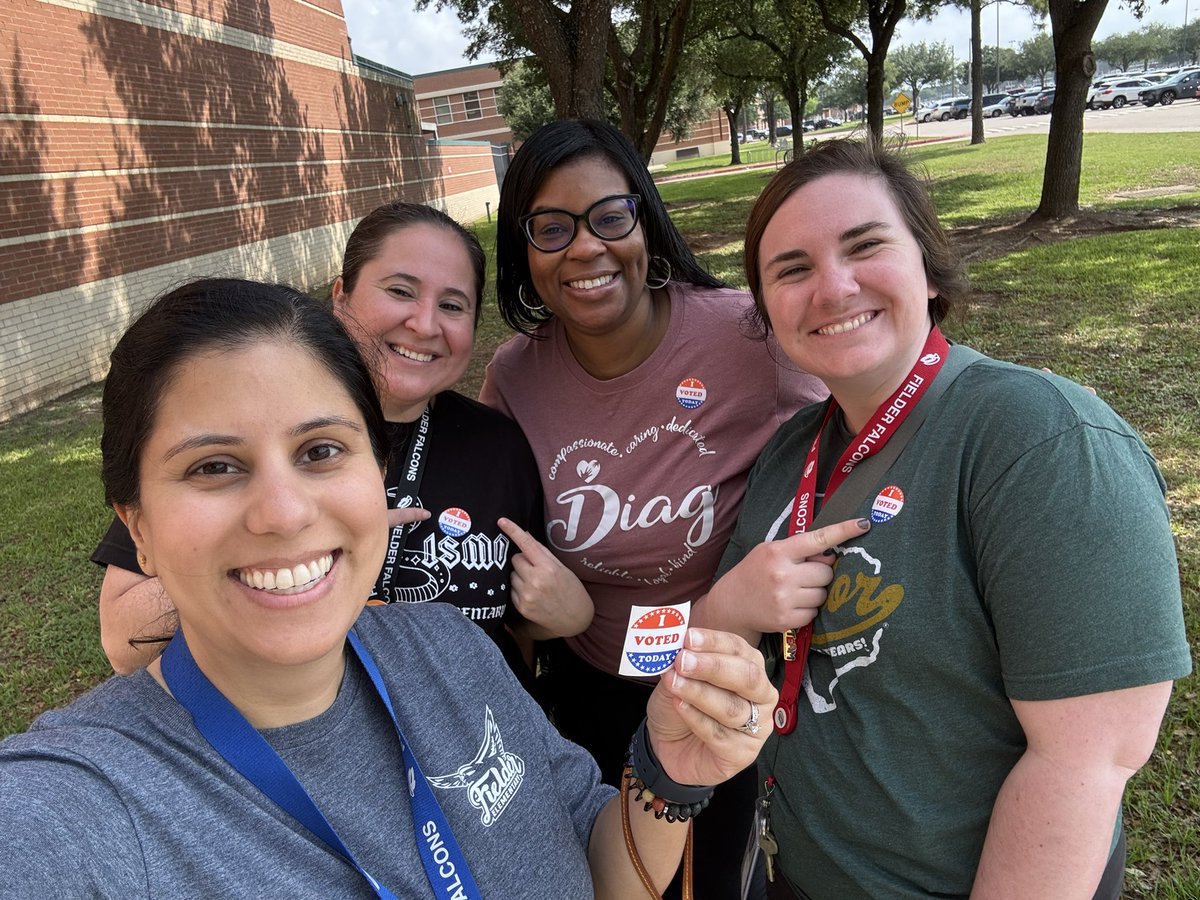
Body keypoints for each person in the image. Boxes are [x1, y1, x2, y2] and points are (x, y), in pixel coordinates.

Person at [0, 279, 779, 897]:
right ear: (135, 525)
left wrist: (668, 768)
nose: (283, 512)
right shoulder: (81, 809)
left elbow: (601, 867)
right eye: (214, 467)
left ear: (377, 477)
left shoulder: (447, 644)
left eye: (320, 451)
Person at [701, 138, 1192, 899]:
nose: (831, 288)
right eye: (791, 269)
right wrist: (730, 606)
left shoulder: (1039, 439)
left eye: (865, 247)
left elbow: (1086, 761)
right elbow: (698, 657)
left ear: (928, 268)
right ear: (766, 309)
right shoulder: (788, 453)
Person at [479, 119, 834, 898]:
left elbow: (847, 439)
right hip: (587, 689)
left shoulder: (746, 336)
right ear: (522, 248)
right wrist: (549, 617)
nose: (585, 248)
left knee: (711, 884)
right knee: (604, 880)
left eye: (610, 217)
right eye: (550, 228)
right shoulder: (513, 378)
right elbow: (500, 563)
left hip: (720, 684)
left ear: (644, 218)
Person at [92, 202, 592, 681]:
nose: (424, 323)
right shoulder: (250, 424)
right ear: (340, 297)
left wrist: (560, 615)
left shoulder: (498, 446)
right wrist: (307, 563)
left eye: (452, 304)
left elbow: (510, 624)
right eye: (400, 291)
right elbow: (123, 641)